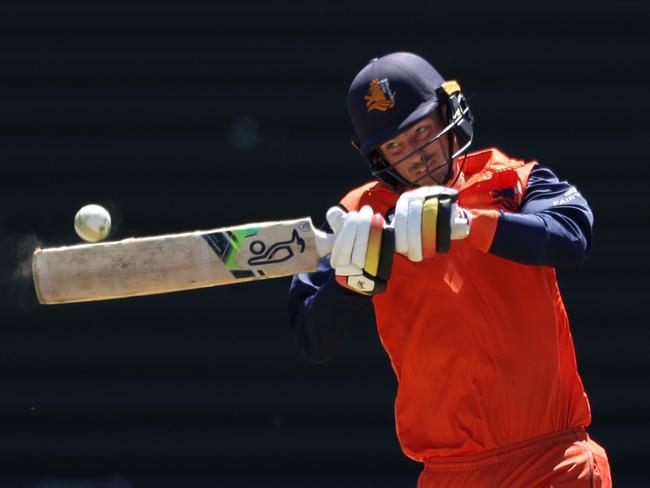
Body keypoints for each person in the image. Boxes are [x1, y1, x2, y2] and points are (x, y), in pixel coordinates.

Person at [288, 52, 612, 487]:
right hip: (452, 474)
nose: (417, 157)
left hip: (553, 462)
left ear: (449, 114)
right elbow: (313, 337)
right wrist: (349, 284)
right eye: (396, 147)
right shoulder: (359, 215)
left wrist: (467, 224)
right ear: (379, 157)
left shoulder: (515, 181)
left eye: (422, 132)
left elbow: (571, 238)